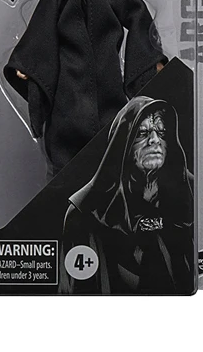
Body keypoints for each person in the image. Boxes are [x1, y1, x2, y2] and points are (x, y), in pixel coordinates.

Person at [4, 0, 166, 176]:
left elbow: (138, 16)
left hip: (107, 78)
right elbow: (42, 26)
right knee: (65, 133)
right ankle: (62, 184)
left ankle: (110, 183)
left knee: (112, 132)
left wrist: (148, 60)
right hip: (69, 81)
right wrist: (29, 64)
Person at [59, 96, 194, 295]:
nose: (155, 140)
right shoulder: (84, 213)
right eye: (143, 133)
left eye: (162, 132)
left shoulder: (190, 196)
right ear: (124, 143)